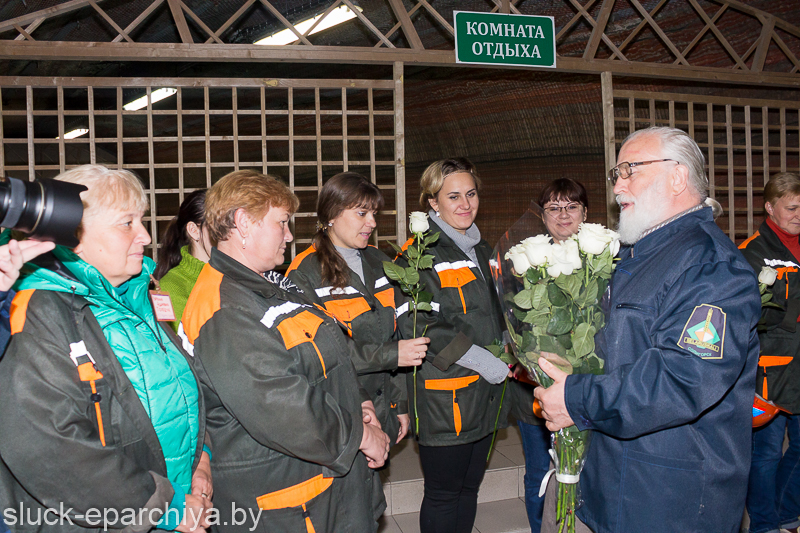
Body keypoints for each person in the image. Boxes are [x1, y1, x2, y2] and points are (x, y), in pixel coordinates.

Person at [535, 127, 761, 533]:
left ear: (677, 176)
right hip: (618, 480)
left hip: (671, 496)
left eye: (630, 170)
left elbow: (683, 379)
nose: (618, 184)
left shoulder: (710, 267)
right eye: (616, 173)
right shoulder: (636, 254)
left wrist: (578, 397)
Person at [0, 164, 213, 532]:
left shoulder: (142, 295)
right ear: (74, 236)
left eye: (141, 221)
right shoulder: (35, 310)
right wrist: (167, 507)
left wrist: (202, 459)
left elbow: (182, 384)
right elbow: (50, 448)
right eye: (126, 223)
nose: (145, 236)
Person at [179, 169, 389, 532]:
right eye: (282, 223)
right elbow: (280, 402)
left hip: (327, 491)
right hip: (288, 503)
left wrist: (361, 401)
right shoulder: (224, 310)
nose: (290, 236)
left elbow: (331, 349)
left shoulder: (269, 284)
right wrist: (359, 434)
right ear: (244, 223)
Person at [398, 157, 511, 533]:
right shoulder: (418, 255)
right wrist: (479, 358)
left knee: (469, 489)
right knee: (444, 493)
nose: (465, 204)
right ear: (433, 203)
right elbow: (419, 321)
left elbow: (493, 310)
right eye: (453, 196)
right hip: (447, 396)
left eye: (471, 194)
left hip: (486, 392)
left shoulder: (479, 249)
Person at [286, 172, 428, 446]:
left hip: (383, 409)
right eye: (362, 213)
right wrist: (391, 355)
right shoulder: (304, 273)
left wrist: (399, 405)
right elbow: (321, 352)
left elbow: (398, 338)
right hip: (342, 412)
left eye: (374, 214)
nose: (372, 223)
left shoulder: (379, 261)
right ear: (332, 214)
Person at [511, 178, 589, 533]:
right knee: (542, 471)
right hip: (537, 387)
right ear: (541, 217)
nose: (563, 215)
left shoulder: (608, 261)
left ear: (585, 213)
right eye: (553, 208)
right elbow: (510, 323)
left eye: (571, 206)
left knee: (586, 470)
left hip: (590, 386)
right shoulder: (519, 264)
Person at [740, 172, 800, 533]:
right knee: (763, 454)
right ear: (769, 207)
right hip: (770, 369)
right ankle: (763, 525)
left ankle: (784, 509)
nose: (799, 214)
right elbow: (753, 314)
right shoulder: (751, 252)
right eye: (791, 207)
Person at [154, 189, 210, 332]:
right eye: (218, 225)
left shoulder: (235, 275)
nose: (228, 233)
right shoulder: (170, 286)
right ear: (194, 230)